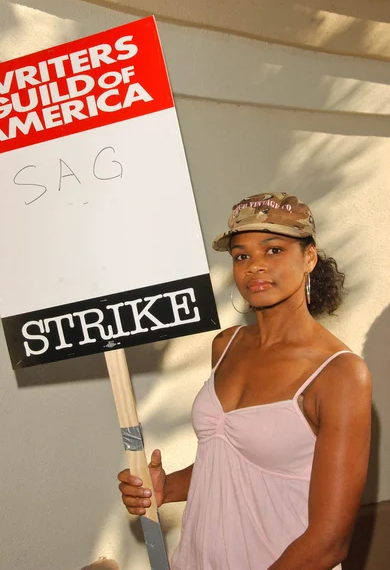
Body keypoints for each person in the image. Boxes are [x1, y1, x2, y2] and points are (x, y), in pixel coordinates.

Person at [118, 192, 372, 570]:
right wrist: (165, 487)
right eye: (242, 255)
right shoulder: (226, 345)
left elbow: (329, 542)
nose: (255, 265)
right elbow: (231, 462)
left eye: (273, 250)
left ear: (309, 257)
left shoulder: (338, 374)